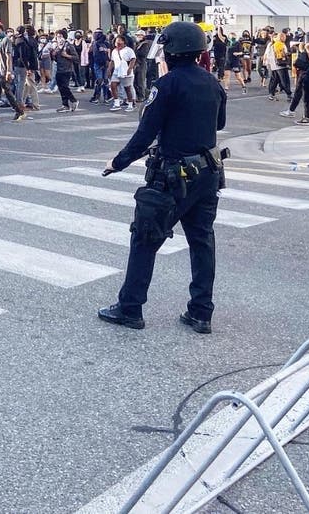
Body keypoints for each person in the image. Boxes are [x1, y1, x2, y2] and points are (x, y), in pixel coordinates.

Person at [97, 21, 227, 333]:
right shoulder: (212, 82)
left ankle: (130, 308)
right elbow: (219, 123)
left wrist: (118, 162)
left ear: (171, 51)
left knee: (145, 238)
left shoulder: (166, 85)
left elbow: (145, 133)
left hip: (173, 176)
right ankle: (201, 312)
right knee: (202, 242)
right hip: (208, 173)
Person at [0, 19, 26, 123]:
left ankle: (19, 111)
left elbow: (8, 56)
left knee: (8, 92)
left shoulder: (5, 40)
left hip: (3, 70)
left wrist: (9, 71)